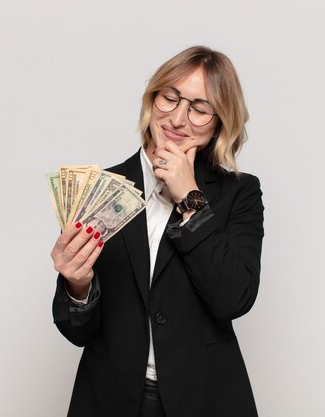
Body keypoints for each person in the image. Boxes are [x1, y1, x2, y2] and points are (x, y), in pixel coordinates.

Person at [50, 45, 264, 417]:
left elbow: (234, 299)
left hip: (205, 397)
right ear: (153, 100)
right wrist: (78, 288)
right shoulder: (100, 188)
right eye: (170, 98)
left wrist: (190, 198)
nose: (178, 119)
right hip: (111, 399)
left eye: (199, 109)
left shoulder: (239, 193)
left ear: (219, 122)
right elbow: (78, 332)